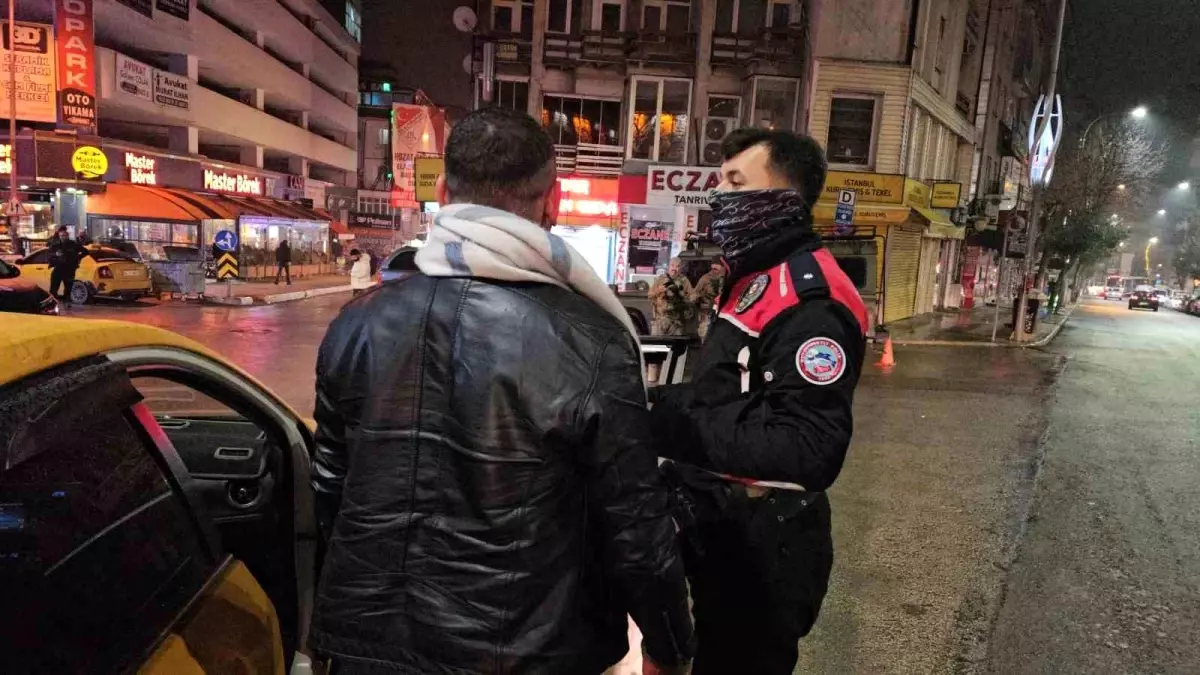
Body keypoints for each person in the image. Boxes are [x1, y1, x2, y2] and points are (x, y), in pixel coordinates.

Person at [309, 106, 694, 675]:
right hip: (528, 652)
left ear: (443, 193)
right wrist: (669, 644)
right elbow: (635, 524)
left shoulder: (356, 324)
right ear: (552, 200)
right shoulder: (593, 339)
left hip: (371, 645)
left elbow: (332, 489)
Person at [649, 128, 870, 675]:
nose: (718, 196)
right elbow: (727, 396)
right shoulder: (755, 278)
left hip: (765, 549)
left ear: (782, 198)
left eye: (735, 183)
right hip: (725, 533)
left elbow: (806, 447)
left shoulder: (811, 299)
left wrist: (668, 421)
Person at [647, 257, 696, 335]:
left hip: (676, 322)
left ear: (680, 268)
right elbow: (650, 295)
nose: (674, 268)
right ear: (669, 267)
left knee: (675, 342)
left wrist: (685, 300)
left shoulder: (684, 281)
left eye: (677, 266)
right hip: (660, 320)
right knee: (657, 342)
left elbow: (692, 296)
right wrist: (658, 290)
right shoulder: (660, 279)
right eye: (672, 266)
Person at [47, 226, 86, 305]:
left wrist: (77, 258)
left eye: (64, 235)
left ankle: (67, 304)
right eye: (61, 236)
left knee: (68, 289)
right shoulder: (56, 245)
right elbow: (49, 254)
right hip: (58, 268)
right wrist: (55, 254)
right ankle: (52, 304)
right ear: (59, 236)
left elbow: (85, 252)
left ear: (67, 235)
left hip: (69, 269)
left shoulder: (73, 244)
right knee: (53, 289)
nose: (63, 237)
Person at [692, 262, 726, 341]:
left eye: (717, 266)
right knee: (705, 332)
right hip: (707, 310)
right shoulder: (705, 278)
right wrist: (698, 299)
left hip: (722, 311)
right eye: (713, 266)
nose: (714, 269)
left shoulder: (725, 278)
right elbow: (695, 292)